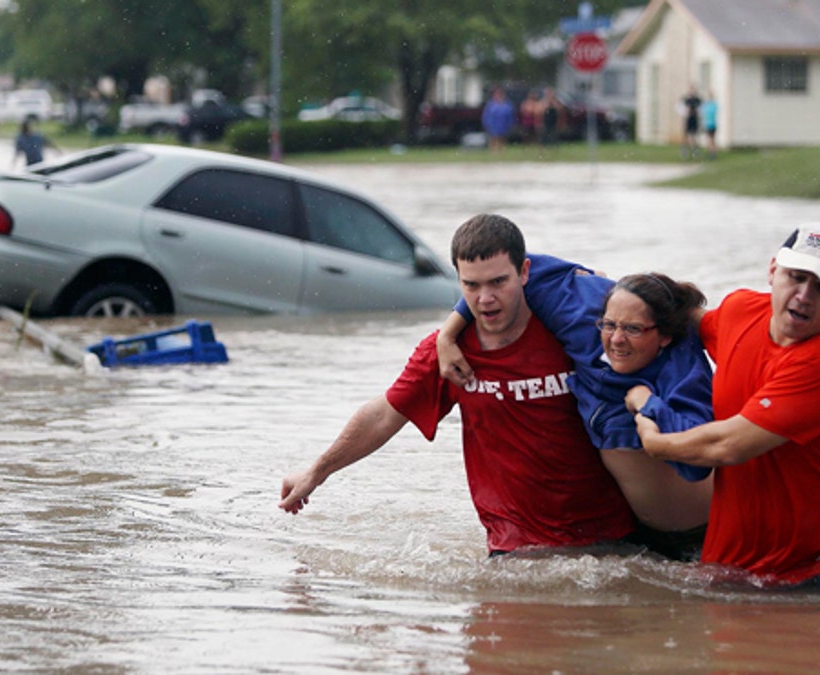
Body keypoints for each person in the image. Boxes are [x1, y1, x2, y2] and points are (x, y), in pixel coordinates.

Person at [280, 214, 634, 555]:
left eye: (498, 282)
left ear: (525, 272)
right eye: (472, 285)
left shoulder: (577, 332)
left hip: (613, 538)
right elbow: (384, 414)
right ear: (459, 282)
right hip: (515, 548)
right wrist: (317, 471)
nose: (485, 298)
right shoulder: (447, 353)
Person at [628, 222, 820, 593]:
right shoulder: (740, 312)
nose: (804, 295)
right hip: (730, 567)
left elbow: (727, 446)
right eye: (796, 277)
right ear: (773, 271)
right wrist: (604, 291)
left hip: (819, 573)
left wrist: (654, 437)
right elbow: (679, 316)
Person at [437, 255, 715, 561]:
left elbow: (697, 462)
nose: (617, 340)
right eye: (610, 325)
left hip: (698, 535)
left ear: (664, 336)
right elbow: (517, 267)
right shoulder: (586, 318)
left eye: (633, 330)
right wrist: (448, 332)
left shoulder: (683, 370)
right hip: (634, 530)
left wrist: (646, 403)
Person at [481, 87, 515, 153]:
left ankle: (500, 151)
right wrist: (486, 124)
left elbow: (510, 116)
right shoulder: (491, 105)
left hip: (503, 124)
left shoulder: (507, 105)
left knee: (501, 138)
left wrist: (510, 124)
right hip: (493, 124)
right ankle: (493, 151)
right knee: (493, 138)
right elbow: (486, 115)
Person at [682, 86, 702, 158]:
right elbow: (682, 109)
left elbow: (701, 109)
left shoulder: (698, 100)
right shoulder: (687, 100)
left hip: (695, 119)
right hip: (689, 119)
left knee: (694, 136)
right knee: (686, 135)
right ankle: (685, 151)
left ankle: (695, 151)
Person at [701, 91, 718, 158]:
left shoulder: (713, 105)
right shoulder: (707, 105)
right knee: (709, 139)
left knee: (712, 139)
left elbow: (712, 113)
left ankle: (713, 152)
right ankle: (710, 151)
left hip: (712, 124)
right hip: (707, 124)